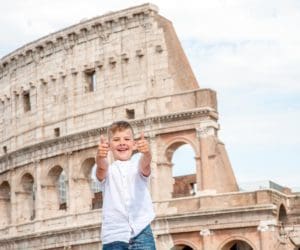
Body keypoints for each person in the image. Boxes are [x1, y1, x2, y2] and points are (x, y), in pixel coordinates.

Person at [96, 120, 156, 250]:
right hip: (114, 234)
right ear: (109, 145)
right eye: (116, 139)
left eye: (127, 139)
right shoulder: (108, 170)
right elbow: (101, 169)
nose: (122, 142)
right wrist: (100, 157)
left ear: (134, 144)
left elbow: (145, 164)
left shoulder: (137, 167)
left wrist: (147, 153)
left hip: (142, 230)